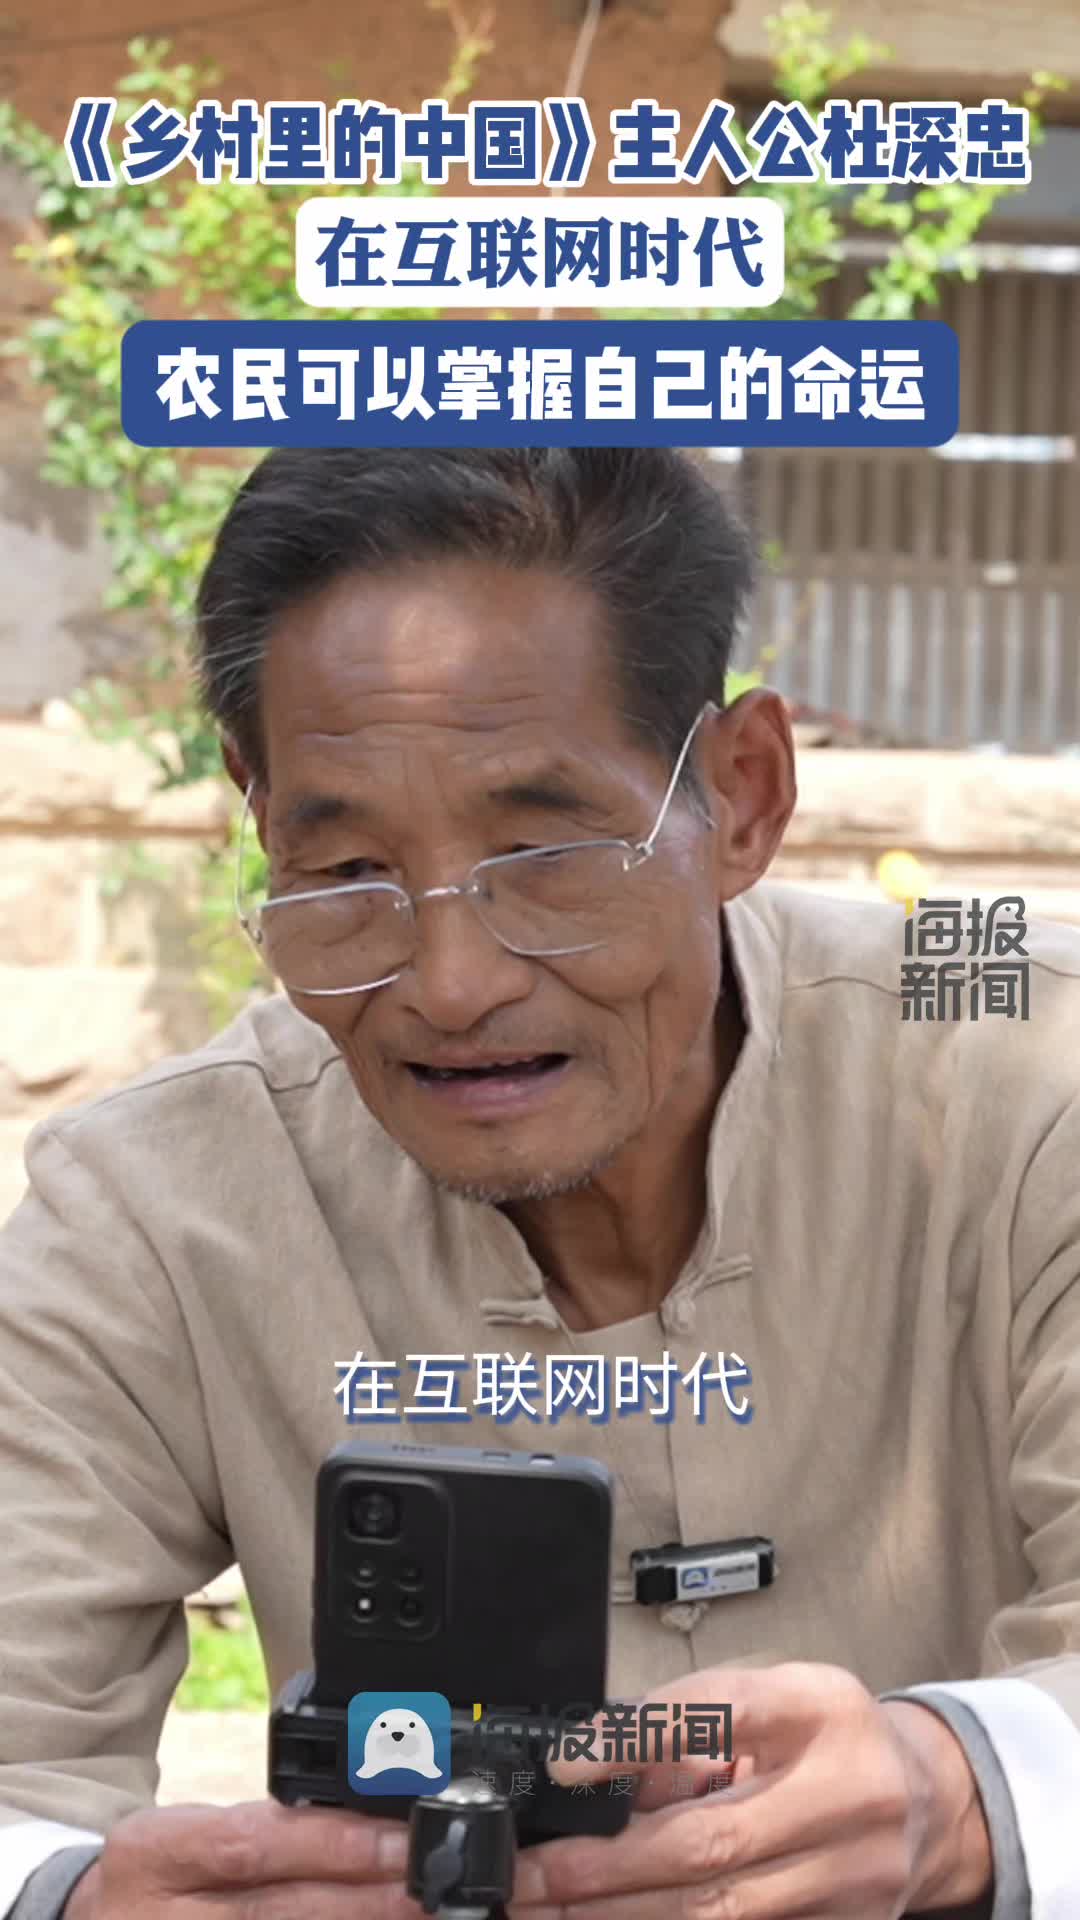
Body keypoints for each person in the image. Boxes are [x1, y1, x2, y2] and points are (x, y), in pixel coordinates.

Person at [0, 445, 1077, 1920]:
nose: (451, 985)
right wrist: (73, 1900)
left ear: (743, 796)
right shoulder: (154, 1203)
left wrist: (960, 1792)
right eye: (348, 872)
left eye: (546, 853)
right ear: (257, 818)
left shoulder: (1029, 1077)